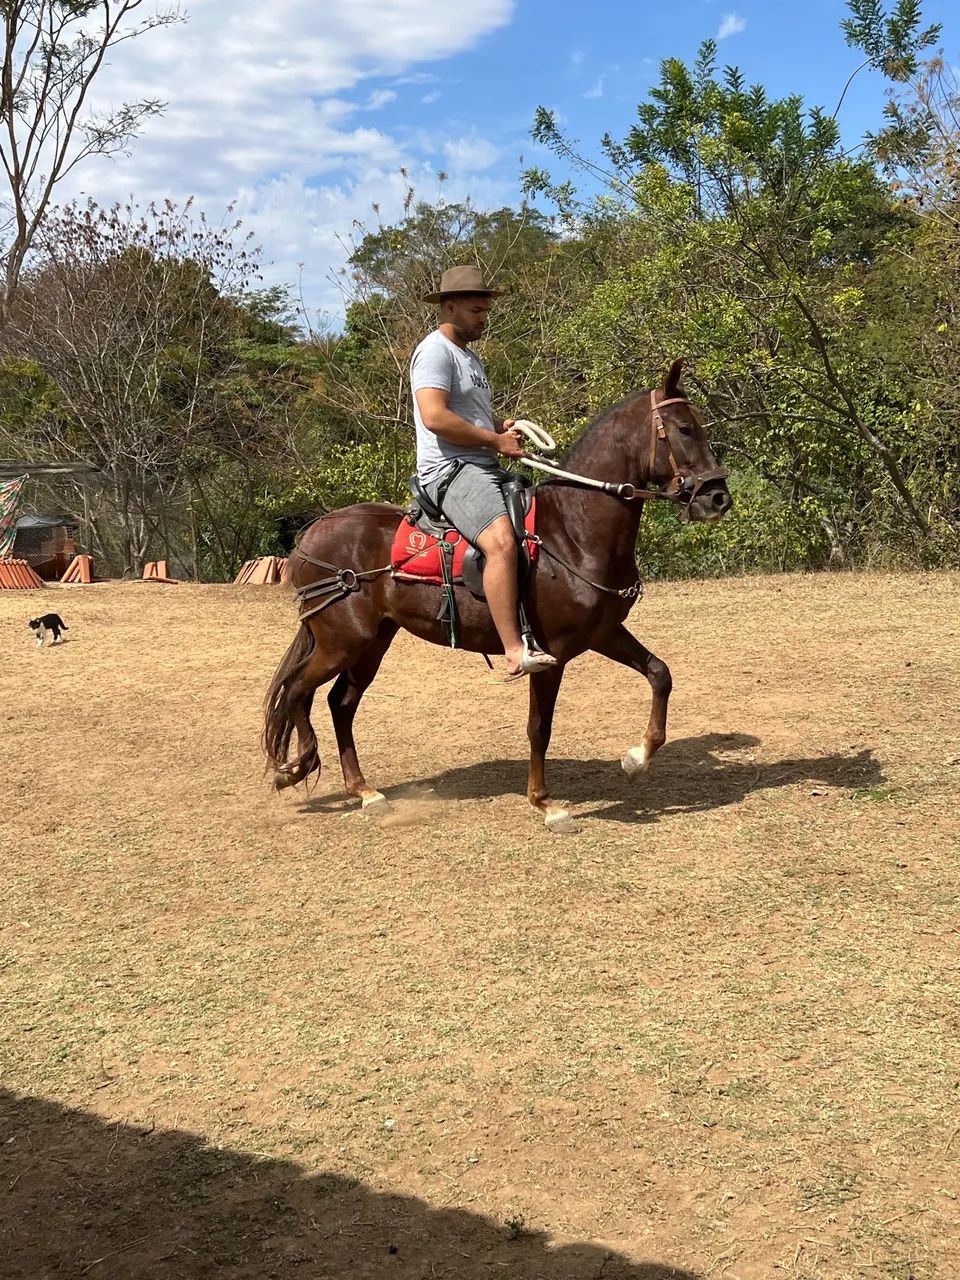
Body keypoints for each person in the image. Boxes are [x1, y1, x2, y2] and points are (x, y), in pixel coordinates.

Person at [411, 265, 557, 679]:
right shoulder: (435, 352)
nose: (483, 318)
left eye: (485, 310)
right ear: (450, 306)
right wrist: (495, 442)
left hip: (480, 463)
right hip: (449, 470)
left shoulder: (469, 358)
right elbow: (435, 417)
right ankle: (514, 650)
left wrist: (500, 427)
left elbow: (469, 415)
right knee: (501, 542)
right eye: (477, 310)